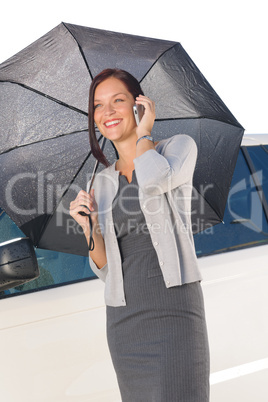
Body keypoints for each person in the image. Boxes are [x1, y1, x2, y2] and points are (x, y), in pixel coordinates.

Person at [70, 68, 210, 401]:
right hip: (124, 318)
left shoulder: (176, 148)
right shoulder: (101, 182)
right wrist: (89, 229)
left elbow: (154, 181)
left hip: (174, 307)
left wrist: (144, 134)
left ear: (139, 104)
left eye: (118, 101)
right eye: (98, 106)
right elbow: (106, 269)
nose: (107, 112)